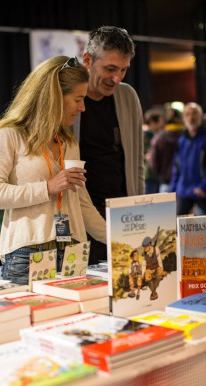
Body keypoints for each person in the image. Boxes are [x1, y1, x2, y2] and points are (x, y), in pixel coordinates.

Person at [0, 56, 106, 286]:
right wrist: (47, 187)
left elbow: (83, 203)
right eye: (78, 99)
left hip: (73, 253)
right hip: (28, 255)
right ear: (55, 97)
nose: (83, 107)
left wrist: (119, 238)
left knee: (73, 321)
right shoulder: (9, 135)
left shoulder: (69, 142)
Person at [72, 25, 145, 265]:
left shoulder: (128, 96)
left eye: (123, 70)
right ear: (87, 60)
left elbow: (137, 163)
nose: (117, 78)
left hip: (123, 213)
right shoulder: (68, 98)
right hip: (80, 214)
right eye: (110, 68)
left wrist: (138, 204)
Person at [169, 102, 206, 215]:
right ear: (184, 118)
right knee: (177, 226)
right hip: (183, 190)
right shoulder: (181, 140)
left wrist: (203, 186)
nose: (191, 117)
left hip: (201, 191)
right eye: (188, 114)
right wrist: (172, 190)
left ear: (201, 116)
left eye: (195, 113)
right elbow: (177, 167)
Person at [150, 107, 184, 193]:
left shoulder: (159, 138)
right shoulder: (186, 137)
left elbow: (154, 163)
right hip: (185, 184)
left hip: (165, 182)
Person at [143, 108, 166, 194]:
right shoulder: (145, 135)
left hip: (157, 174)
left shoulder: (159, 135)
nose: (163, 124)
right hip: (149, 175)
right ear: (152, 121)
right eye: (161, 121)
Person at [141, 236, 164, 300]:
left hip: (156, 267)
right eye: (144, 247)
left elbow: (159, 259)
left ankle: (153, 292)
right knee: (147, 275)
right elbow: (143, 265)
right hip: (149, 269)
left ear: (149, 245)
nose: (144, 248)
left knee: (160, 272)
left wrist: (161, 268)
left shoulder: (156, 249)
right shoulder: (143, 253)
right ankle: (154, 292)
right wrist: (143, 274)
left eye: (146, 247)